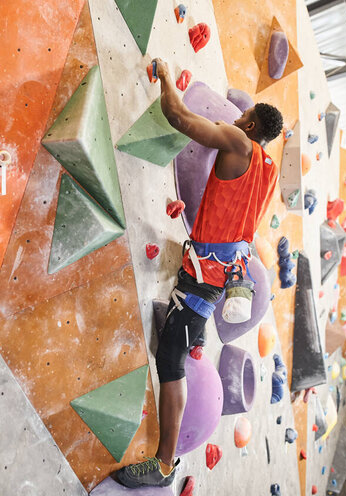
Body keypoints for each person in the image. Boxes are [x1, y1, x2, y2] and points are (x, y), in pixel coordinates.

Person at [117, 59, 283, 489]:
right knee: (183, 338)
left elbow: (178, 117)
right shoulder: (268, 168)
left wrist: (168, 79)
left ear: (248, 123)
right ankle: (197, 334)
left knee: (169, 359)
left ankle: (163, 464)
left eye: (240, 117)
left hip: (204, 277)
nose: (235, 119)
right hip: (225, 270)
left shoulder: (238, 141)